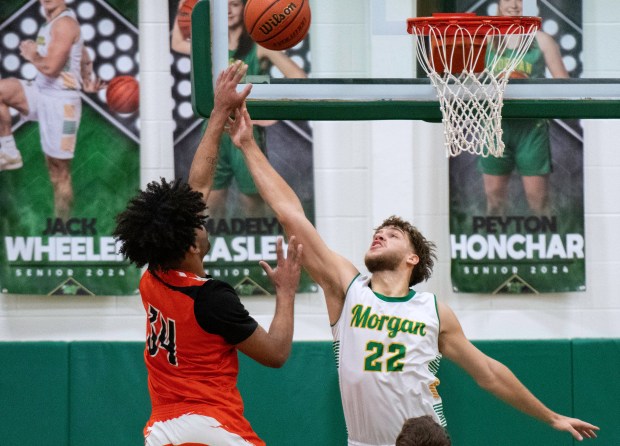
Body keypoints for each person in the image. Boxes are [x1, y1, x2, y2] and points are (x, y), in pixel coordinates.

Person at [226, 104, 600, 445]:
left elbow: (487, 371)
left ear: (412, 258)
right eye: (378, 232)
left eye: (393, 235)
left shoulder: (433, 311)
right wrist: (247, 146)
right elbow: (292, 214)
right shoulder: (348, 288)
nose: (380, 234)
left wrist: (550, 417)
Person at [113, 61, 303, 446]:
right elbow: (276, 354)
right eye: (199, 224)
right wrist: (285, 292)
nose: (205, 222)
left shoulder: (152, 278)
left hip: (161, 430)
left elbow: (197, 184)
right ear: (190, 244)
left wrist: (218, 112)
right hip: (211, 425)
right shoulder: (212, 298)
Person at [171, 0, 307, 218]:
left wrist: (272, 115)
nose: (228, 10)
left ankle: (254, 248)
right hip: (215, 131)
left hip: (245, 133)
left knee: (251, 206)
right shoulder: (211, 45)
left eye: (234, 4)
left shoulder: (259, 45)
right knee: (209, 206)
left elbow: (299, 78)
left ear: (246, 9)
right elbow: (178, 44)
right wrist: (184, 5)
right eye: (223, 5)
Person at [0, 0, 104, 220]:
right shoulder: (53, 21)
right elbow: (84, 55)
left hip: (61, 102)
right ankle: (8, 151)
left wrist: (32, 55)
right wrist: (87, 79)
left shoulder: (64, 24)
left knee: (58, 173)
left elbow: (50, 68)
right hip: (41, 92)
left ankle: (62, 226)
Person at [480, 0, 570, 216]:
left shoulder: (542, 40)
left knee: (538, 203)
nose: (514, 4)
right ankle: (496, 246)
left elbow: (564, 84)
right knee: (494, 202)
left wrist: (536, 95)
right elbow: (470, 82)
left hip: (531, 128)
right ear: (499, 3)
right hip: (495, 126)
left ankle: (543, 247)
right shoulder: (485, 39)